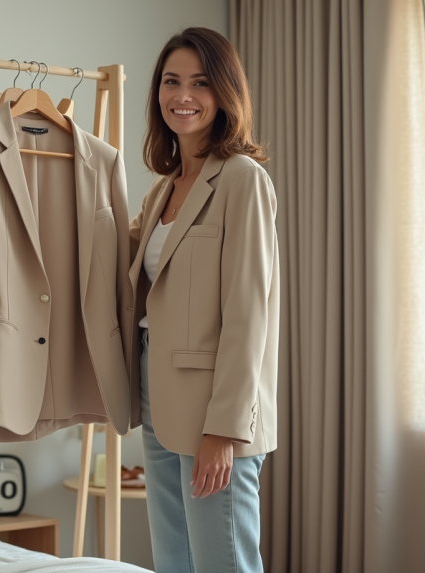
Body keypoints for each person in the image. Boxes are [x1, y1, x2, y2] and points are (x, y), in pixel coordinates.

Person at [128, 27, 280, 573]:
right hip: (156, 392)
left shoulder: (242, 179)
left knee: (223, 562)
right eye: (171, 82)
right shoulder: (161, 190)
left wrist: (225, 429)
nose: (183, 95)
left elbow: (248, 313)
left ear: (224, 93)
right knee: (174, 561)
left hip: (214, 406)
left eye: (200, 82)